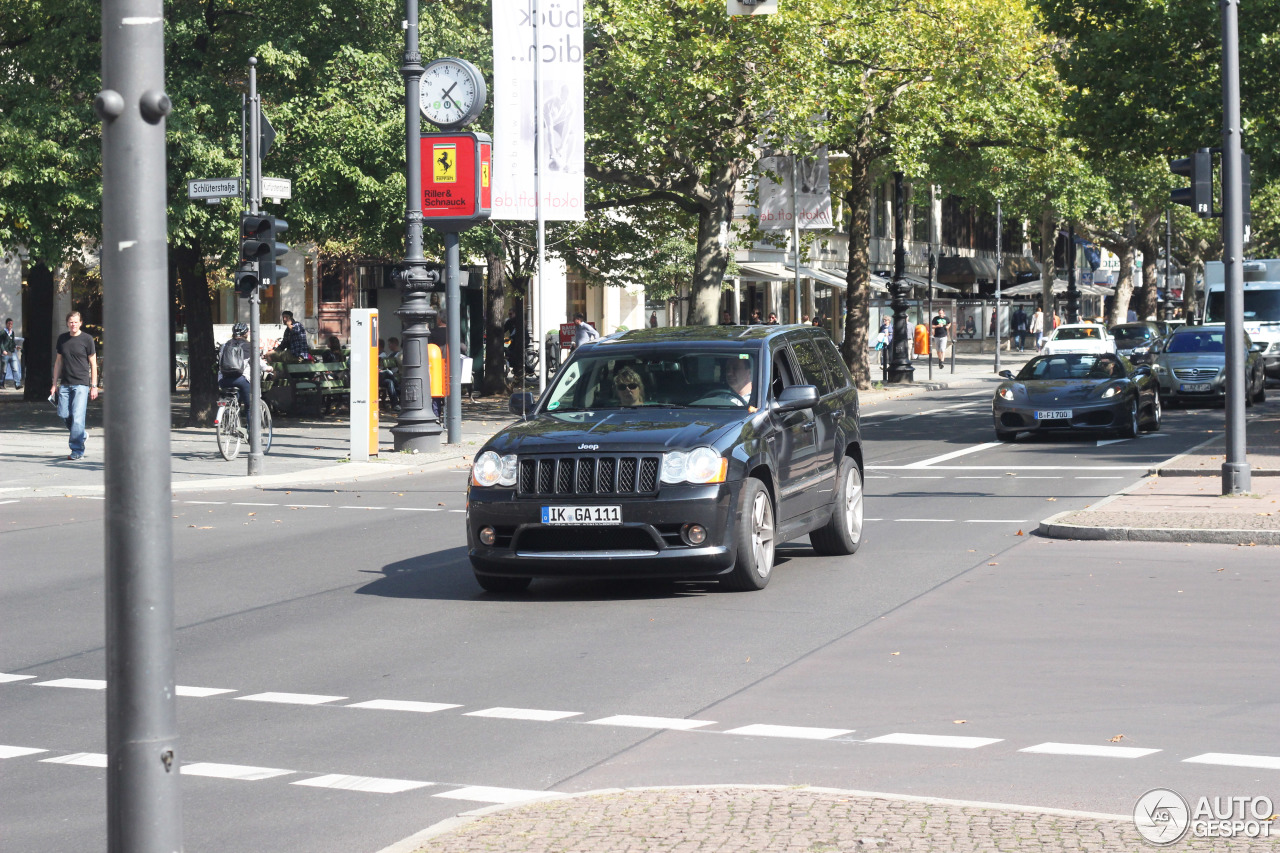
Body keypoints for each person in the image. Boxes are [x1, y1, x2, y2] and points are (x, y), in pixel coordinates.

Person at [49, 311, 98, 460]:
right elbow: (58, 362)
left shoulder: (87, 339)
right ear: (67, 323)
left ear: (80, 323)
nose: (73, 324)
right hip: (65, 384)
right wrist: (54, 384)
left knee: (77, 417)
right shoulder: (62, 339)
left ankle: (77, 450)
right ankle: (82, 434)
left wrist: (94, 385)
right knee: (63, 413)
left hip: (81, 384)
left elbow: (93, 364)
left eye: (76, 322)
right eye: (71, 322)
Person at [217, 323, 253, 414]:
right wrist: (268, 368)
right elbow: (257, 362)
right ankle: (250, 428)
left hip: (223, 380)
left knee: (231, 400)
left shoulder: (225, 345)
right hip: (241, 379)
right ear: (246, 334)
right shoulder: (249, 346)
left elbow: (220, 360)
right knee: (249, 406)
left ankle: (228, 416)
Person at [1, 317, 21, 389]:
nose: (10, 325)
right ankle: (1, 383)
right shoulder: (2, 332)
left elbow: (12, 342)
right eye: (9, 323)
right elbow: (1, 343)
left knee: (15, 368)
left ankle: (17, 384)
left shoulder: (12, 332)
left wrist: (16, 346)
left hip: (11, 353)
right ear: (6, 324)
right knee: (4, 370)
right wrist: (3, 350)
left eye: (11, 324)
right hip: (5, 353)